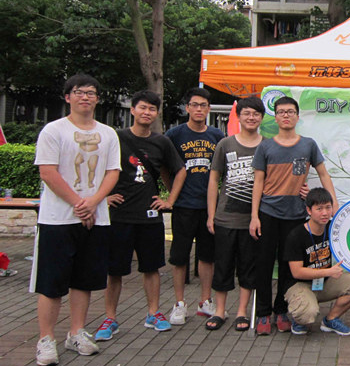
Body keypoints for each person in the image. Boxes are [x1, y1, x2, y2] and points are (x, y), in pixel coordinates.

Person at [31, 74, 120, 366]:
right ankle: (46, 339)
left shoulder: (108, 133)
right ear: (68, 97)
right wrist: (78, 204)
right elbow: (48, 172)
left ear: (97, 99)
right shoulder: (53, 130)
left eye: (91, 93)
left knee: (84, 280)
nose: (85, 97)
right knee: (52, 281)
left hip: (96, 218)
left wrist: (93, 202)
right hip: (58, 219)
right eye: (79, 92)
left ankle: (76, 332)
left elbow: (112, 172)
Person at [96, 91, 186, 340]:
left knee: (151, 267)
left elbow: (180, 170)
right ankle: (110, 318)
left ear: (157, 113)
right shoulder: (116, 138)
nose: (147, 112)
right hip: (119, 214)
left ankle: (153, 313)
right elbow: (98, 167)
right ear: (133, 110)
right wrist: (103, 197)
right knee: (114, 270)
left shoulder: (161, 142)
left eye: (152, 109)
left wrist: (170, 200)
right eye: (143, 108)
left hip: (149, 214)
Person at [250, 96, 338, 335]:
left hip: (296, 216)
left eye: (290, 111)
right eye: (281, 112)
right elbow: (258, 182)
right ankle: (263, 313)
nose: (286, 115)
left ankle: (281, 310)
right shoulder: (265, 147)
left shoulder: (308, 145)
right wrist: (254, 216)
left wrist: (333, 202)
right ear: (275, 117)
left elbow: (323, 174)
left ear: (297, 116)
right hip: (268, 214)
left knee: (289, 268)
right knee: (264, 265)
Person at [204, 96, 265, 331]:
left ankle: (242, 312)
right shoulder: (225, 144)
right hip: (225, 218)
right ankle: (220, 310)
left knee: (248, 267)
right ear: (238, 116)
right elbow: (214, 180)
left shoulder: (266, 145)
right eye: (246, 113)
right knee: (223, 266)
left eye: (256, 114)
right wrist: (211, 214)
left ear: (262, 118)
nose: (251, 117)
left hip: (252, 221)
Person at [166, 87, 225, 324]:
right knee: (179, 256)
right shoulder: (174, 135)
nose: (199, 109)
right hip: (183, 205)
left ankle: (205, 301)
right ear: (187, 108)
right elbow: (165, 167)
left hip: (209, 207)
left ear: (208, 109)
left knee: (207, 256)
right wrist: (171, 194)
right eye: (194, 105)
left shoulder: (217, 136)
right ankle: (179, 304)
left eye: (203, 105)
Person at [284, 188, 350, 336]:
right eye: (319, 209)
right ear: (309, 210)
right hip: (299, 284)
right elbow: (297, 272)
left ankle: (330, 320)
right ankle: (300, 319)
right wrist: (328, 271)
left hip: (323, 282)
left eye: (328, 207)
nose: (325, 213)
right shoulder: (296, 235)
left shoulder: (333, 228)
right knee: (307, 314)